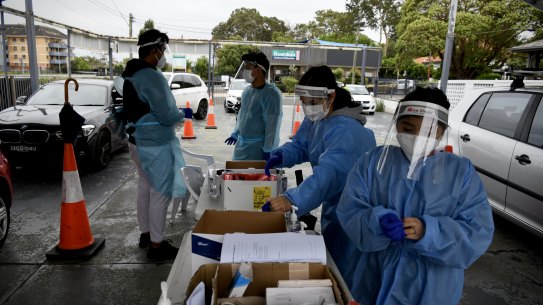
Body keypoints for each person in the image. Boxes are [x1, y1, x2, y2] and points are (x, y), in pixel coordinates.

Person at [336, 87, 495, 305]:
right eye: (408, 128)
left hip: (431, 287)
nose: (417, 138)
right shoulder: (372, 162)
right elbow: (350, 209)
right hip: (373, 274)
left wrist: (428, 232)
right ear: (397, 124)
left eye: (429, 131)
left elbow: (478, 232)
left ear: (441, 131)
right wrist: (376, 221)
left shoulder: (461, 173)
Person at [264, 65, 377, 287]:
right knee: (333, 262)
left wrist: (292, 199)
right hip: (334, 206)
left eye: (313, 102)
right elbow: (302, 145)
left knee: (347, 276)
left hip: (355, 213)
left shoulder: (346, 129)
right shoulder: (319, 118)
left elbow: (330, 174)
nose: (308, 108)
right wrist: (281, 155)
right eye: (304, 102)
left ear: (331, 96)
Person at [120, 29, 186, 260]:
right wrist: (180, 115)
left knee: (145, 187)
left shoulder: (131, 74)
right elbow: (167, 114)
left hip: (136, 142)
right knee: (160, 192)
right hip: (155, 144)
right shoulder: (152, 76)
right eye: (164, 49)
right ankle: (157, 246)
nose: (164, 54)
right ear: (156, 50)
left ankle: (146, 234)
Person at [224, 50, 283, 160]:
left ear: (258, 70)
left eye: (248, 67)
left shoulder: (271, 94)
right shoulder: (247, 91)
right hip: (241, 146)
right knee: (236, 175)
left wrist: (269, 149)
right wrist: (236, 133)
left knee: (254, 177)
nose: (244, 71)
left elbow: (272, 124)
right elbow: (242, 115)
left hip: (258, 149)